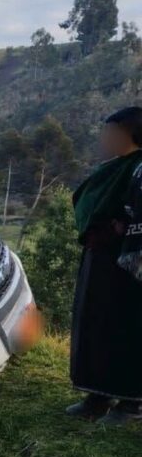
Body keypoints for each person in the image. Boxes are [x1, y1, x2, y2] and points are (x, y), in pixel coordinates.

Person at [67, 107, 142, 424]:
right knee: (95, 325)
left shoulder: (139, 168)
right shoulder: (115, 167)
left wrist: (122, 234)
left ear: (132, 136)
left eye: (112, 133)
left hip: (128, 268)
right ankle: (97, 395)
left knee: (125, 329)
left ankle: (131, 403)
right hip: (99, 262)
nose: (104, 138)